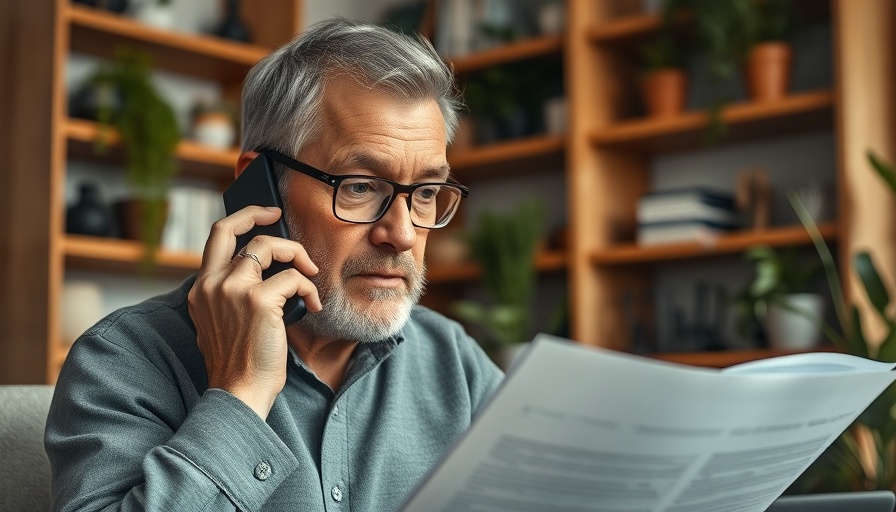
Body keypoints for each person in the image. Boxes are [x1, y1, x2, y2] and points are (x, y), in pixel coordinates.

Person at [46, 18, 503, 511]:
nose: (403, 234)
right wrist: (240, 396)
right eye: (360, 186)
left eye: (427, 193)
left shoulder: (455, 364)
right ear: (261, 185)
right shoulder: (122, 361)